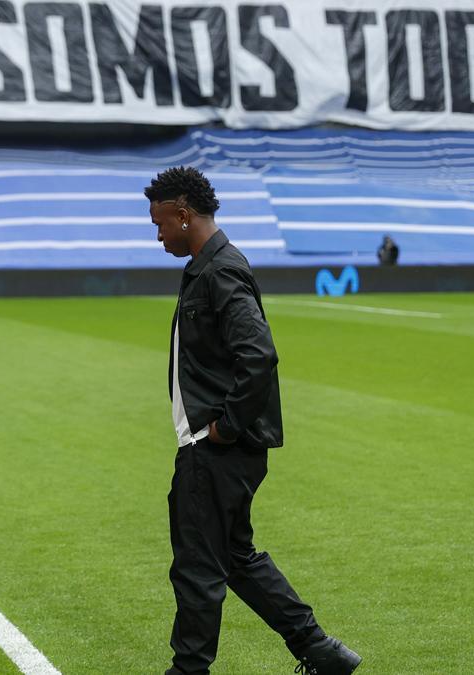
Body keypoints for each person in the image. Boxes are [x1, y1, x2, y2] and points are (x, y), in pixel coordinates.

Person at [145, 167, 361, 675]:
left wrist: (225, 427)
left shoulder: (219, 271)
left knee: (198, 568)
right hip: (218, 448)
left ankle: (188, 670)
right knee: (234, 558)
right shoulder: (208, 266)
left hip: (215, 448)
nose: (157, 234)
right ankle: (321, 652)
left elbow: (258, 356)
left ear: (183, 215)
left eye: (159, 224)